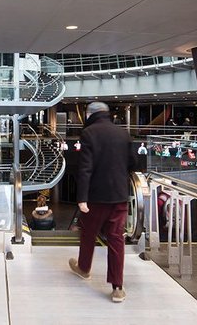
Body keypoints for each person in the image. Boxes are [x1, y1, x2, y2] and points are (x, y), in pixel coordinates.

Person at [69, 101, 137, 303]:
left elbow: (85, 168)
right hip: (119, 195)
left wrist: (82, 198)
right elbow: (133, 162)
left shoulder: (89, 133)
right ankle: (117, 287)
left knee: (88, 233)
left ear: (90, 114)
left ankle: (84, 268)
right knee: (116, 238)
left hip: (96, 196)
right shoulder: (123, 133)